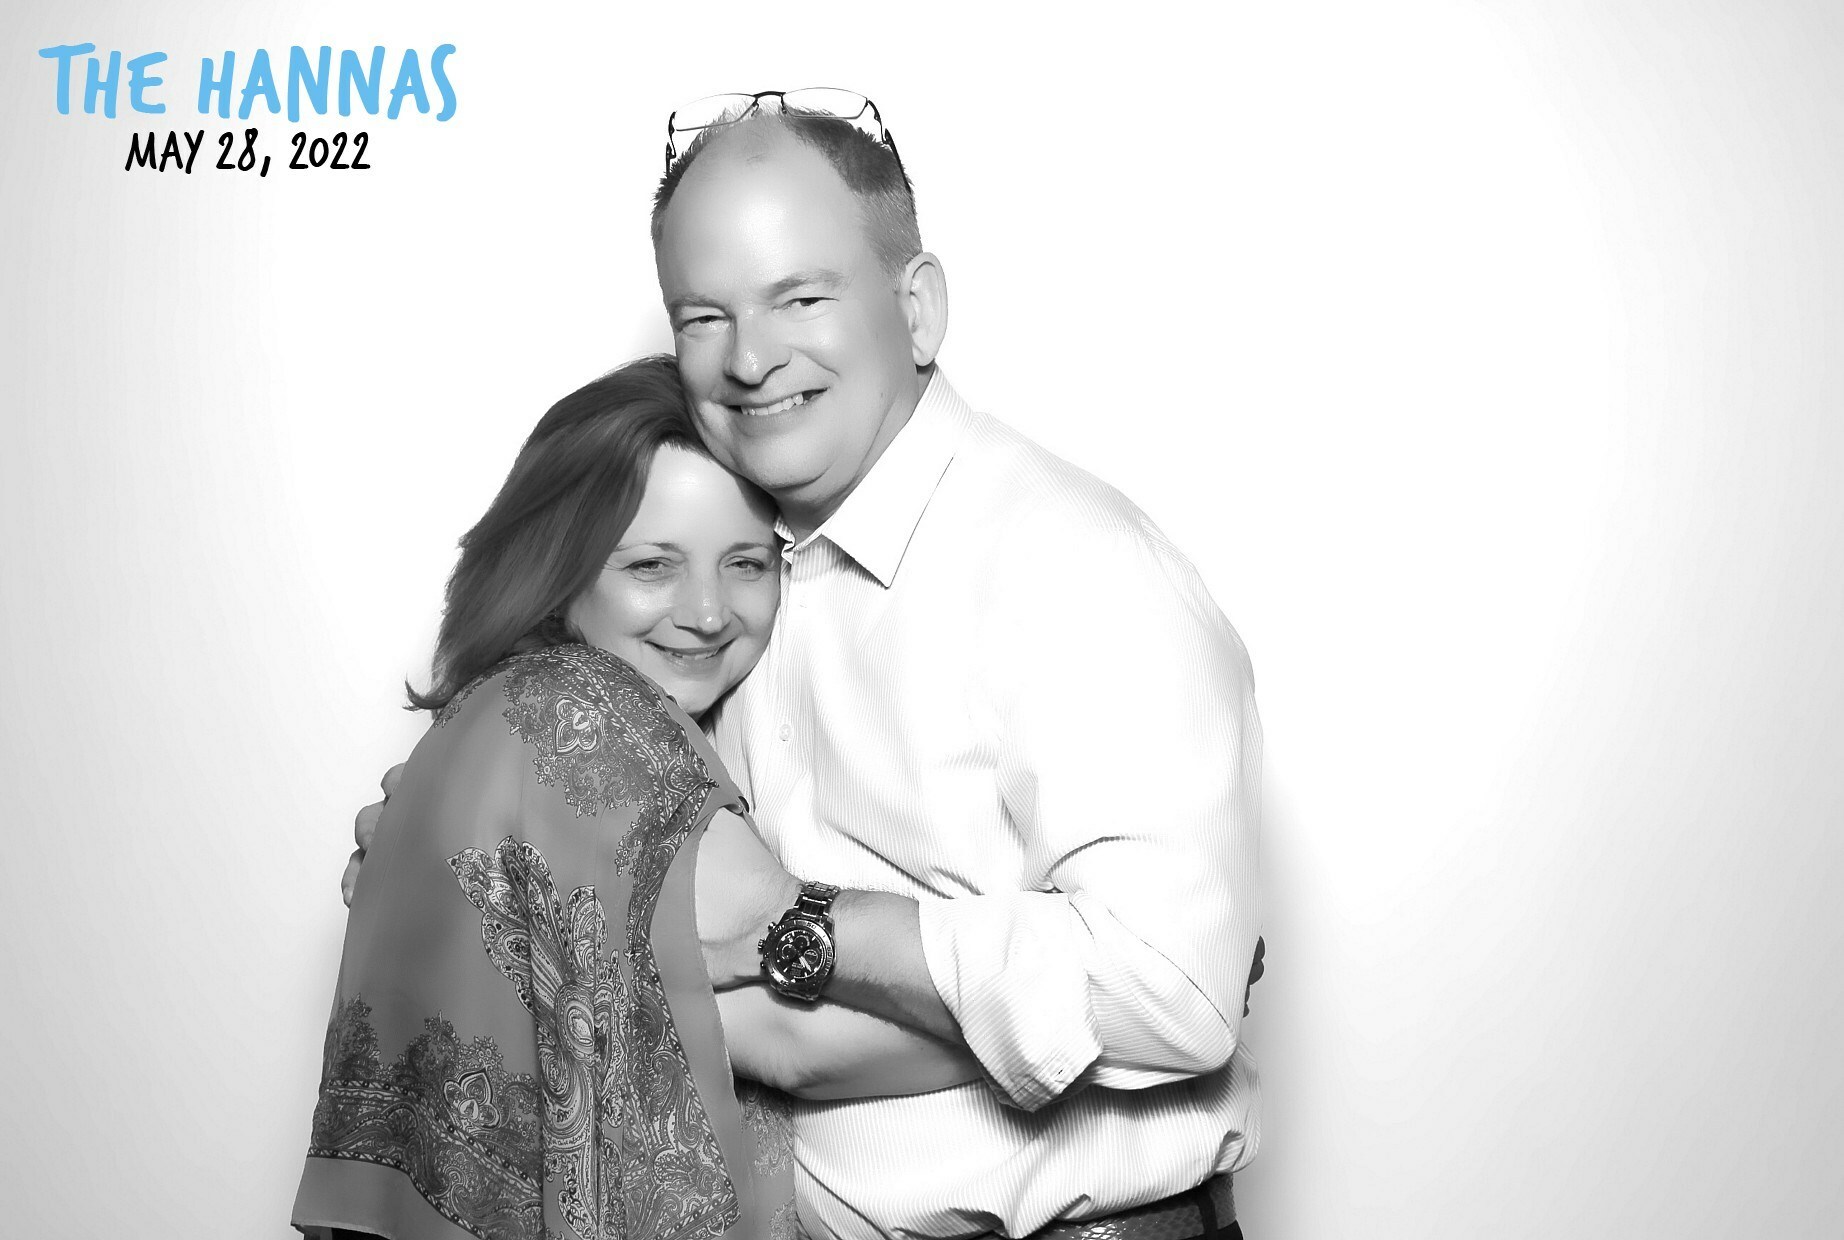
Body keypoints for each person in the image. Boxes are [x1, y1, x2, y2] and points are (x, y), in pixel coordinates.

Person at [352, 93, 1264, 1240]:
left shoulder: (1073, 568)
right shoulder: (735, 592)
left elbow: (1171, 989)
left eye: (801, 297)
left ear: (916, 309)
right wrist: (469, 855)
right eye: (703, 316)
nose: (748, 358)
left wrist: (808, 931)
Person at [295, 356, 978, 1240]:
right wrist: (1096, 1009)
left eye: (747, 563)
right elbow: (790, 1042)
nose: (708, 612)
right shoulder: (591, 721)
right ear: (560, 567)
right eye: (653, 566)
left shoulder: (489, 722)